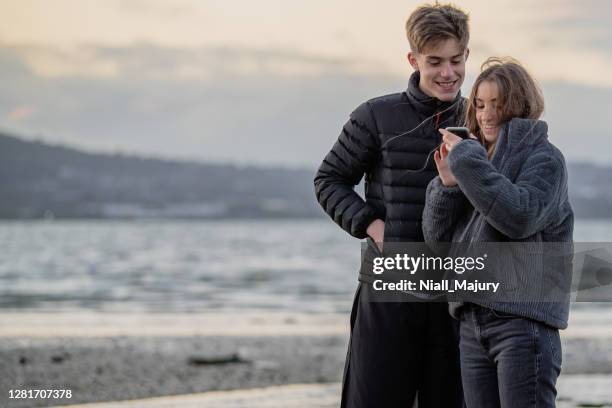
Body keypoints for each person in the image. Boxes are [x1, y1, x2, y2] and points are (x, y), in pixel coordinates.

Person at [314, 3, 469, 407]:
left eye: (456, 60)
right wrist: (373, 227)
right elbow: (329, 180)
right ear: (413, 59)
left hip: (457, 294)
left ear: (467, 55)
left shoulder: (481, 118)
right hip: (388, 289)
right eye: (435, 61)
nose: (448, 73)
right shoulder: (375, 115)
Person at [423, 57, 574, 408]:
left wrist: (468, 164)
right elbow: (437, 244)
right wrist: (447, 186)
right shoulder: (476, 163)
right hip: (472, 324)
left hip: (523, 325)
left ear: (519, 104)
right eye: (479, 104)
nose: (486, 114)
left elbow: (519, 217)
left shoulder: (545, 159)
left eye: (497, 104)